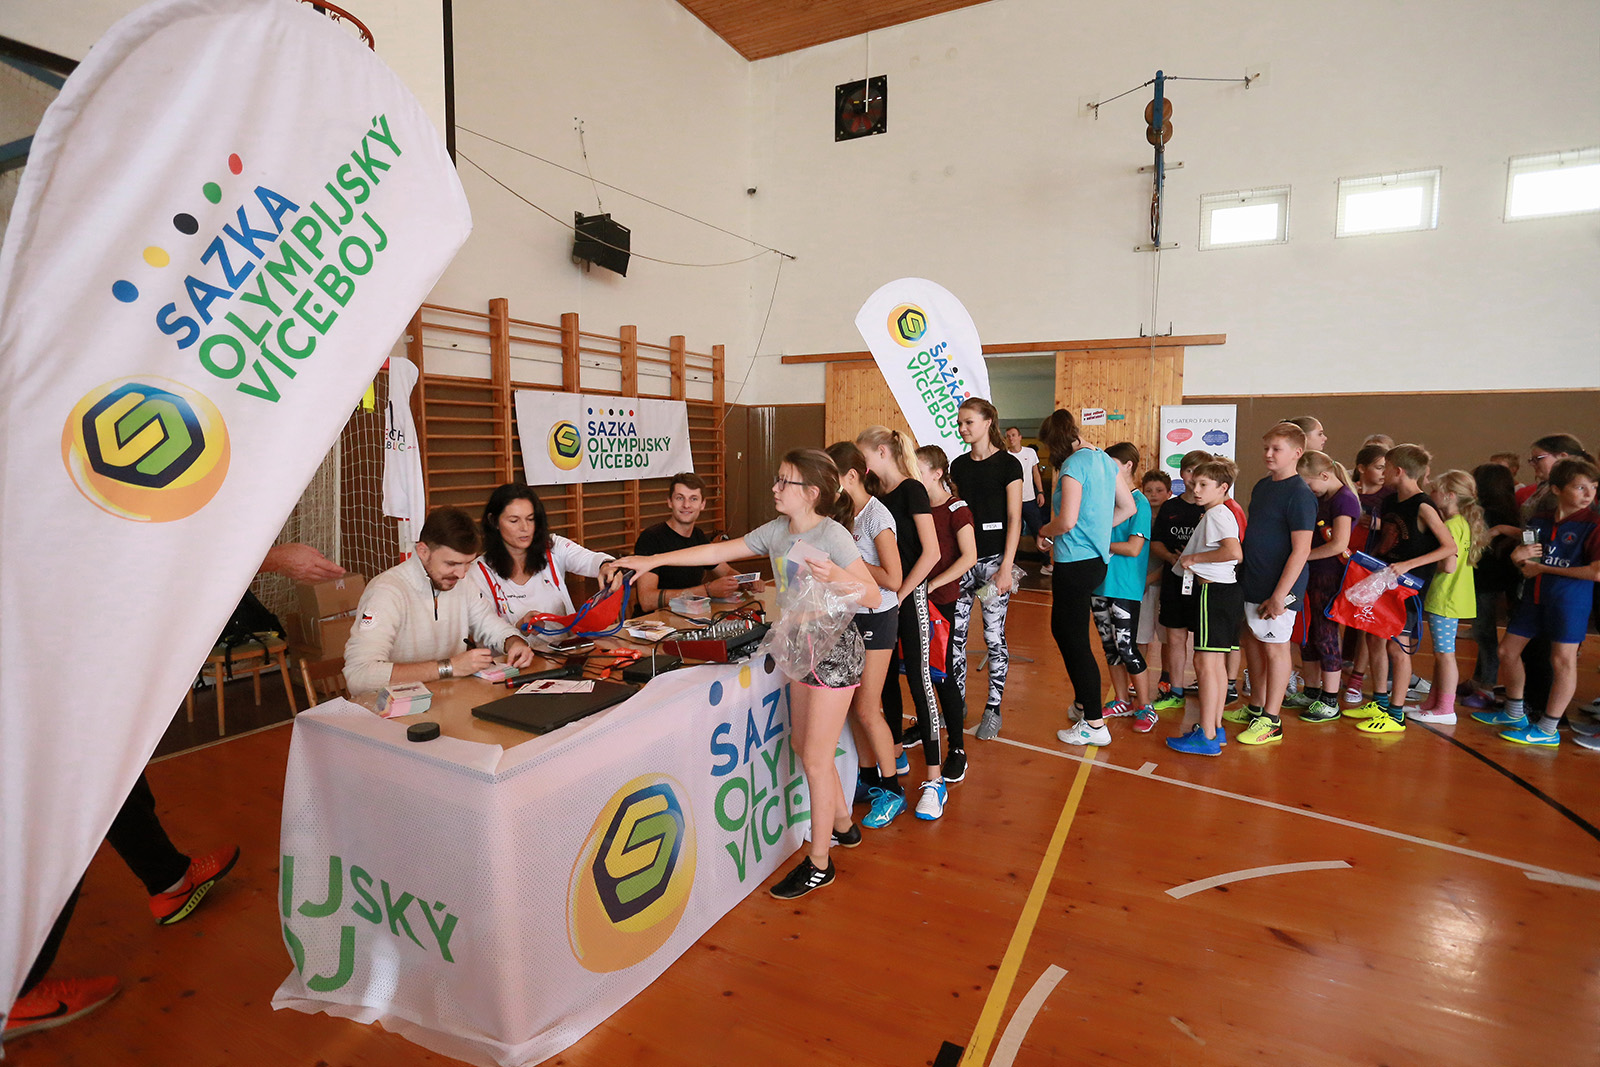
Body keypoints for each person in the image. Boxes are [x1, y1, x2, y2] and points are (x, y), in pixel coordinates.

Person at [7, 544, 341, 1040]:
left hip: (52, 656)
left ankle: (170, 879)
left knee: (112, 774)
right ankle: (16, 991)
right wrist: (274, 558)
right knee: (65, 811)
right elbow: (148, 550)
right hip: (35, 667)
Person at [606, 450, 883, 898]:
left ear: (811, 493)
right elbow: (717, 550)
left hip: (834, 653)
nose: (775, 487)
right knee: (804, 747)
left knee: (815, 758)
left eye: (784, 481)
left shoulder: (832, 535)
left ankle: (819, 862)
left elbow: (872, 596)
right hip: (801, 648)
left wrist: (833, 573)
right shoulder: (777, 531)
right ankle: (843, 825)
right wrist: (650, 561)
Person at [1474, 458, 1600, 748]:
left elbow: (1596, 572)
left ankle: (1548, 727)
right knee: (1507, 651)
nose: (1588, 494)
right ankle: (1514, 712)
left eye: (1593, 487)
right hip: (1534, 597)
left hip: (1569, 601)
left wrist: (1543, 568)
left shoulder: (1594, 524)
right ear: (1556, 489)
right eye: (1580, 487)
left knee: (1562, 661)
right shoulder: (1540, 520)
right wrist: (1519, 558)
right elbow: (1527, 558)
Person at [344, 507, 536, 694]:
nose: (461, 574)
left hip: (448, 698)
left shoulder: (463, 582)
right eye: (451, 563)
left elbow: (490, 624)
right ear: (423, 551)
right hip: (391, 708)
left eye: (468, 564)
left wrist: (514, 642)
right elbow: (359, 675)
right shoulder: (387, 591)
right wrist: (449, 667)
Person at [857, 426, 947, 820]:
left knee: (919, 683)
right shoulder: (875, 496)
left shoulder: (912, 490)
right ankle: (894, 755)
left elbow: (931, 553)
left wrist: (903, 593)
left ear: (881, 452)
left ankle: (935, 780)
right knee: (886, 683)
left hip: (909, 598)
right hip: (884, 603)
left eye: (863, 456)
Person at [1038, 411, 1136, 749]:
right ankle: (1083, 702)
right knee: (1066, 631)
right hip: (1095, 561)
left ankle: (1094, 722)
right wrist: (1097, 531)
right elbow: (1127, 507)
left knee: (1074, 639)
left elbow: (1066, 521)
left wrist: (1043, 531)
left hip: (1075, 562)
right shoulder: (1105, 460)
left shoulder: (1073, 465)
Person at [1344, 445, 1458, 734]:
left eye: (1386, 467)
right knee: (1374, 639)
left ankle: (1395, 714)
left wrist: (1409, 565)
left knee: (1398, 646)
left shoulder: (1423, 506)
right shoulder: (1390, 501)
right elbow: (1388, 539)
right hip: (1385, 579)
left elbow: (1449, 547)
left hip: (1409, 587)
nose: (1382, 472)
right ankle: (1380, 702)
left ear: (1399, 471)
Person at [824, 442, 907, 829]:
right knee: (855, 706)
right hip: (849, 617)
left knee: (867, 709)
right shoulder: (841, 514)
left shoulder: (877, 516)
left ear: (852, 477)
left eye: (831, 479)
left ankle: (893, 790)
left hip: (878, 617)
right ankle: (869, 778)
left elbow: (893, 578)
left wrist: (849, 562)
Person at [1226, 423, 1316, 747]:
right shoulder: (1263, 487)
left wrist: (1280, 595)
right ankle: (1256, 707)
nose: (1268, 454)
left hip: (1279, 588)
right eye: (1266, 447)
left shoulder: (1300, 495)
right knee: (1253, 644)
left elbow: (1301, 550)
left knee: (1276, 650)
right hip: (1254, 579)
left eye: (1276, 449)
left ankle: (1272, 720)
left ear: (1297, 453)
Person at [949, 398, 1024, 740]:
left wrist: (1006, 566)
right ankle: (957, 704)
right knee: (956, 636)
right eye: (960, 423)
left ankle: (993, 708)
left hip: (994, 564)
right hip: (963, 563)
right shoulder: (959, 466)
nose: (963, 428)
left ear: (987, 422)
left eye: (968, 422)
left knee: (993, 636)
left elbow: (1014, 517)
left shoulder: (1009, 464)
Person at [1165, 458, 1244, 756]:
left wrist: (1193, 559)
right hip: (1223, 593)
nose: (1195, 489)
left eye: (1203, 485)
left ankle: (1207, 736)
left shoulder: (1216, 514)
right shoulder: (1217, 513)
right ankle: (1215, 728)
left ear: (1222, 487)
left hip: (1214, 593)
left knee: (1206, 665)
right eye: (1194, 483)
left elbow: (1233, 552)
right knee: (1215, 665)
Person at [915, 445, 978, 783]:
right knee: (917, 671)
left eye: (919, 470)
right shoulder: (918, 507)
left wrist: (933, 584)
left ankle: (957, 748)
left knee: (942, 673)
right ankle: (925, 727)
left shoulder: (957, 509)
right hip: (914, 598)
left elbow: (969, 556)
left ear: (937, 473)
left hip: (941, 601)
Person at [470, 483, 617, 627]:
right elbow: (486, 631)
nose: (525, 528)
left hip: (569, 643)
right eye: (514, 521)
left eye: (530, 519)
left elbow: (591, 559)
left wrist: (606, 565)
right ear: (494, 521)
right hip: (517, 644)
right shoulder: (479, 572)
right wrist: (519, 628)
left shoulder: (553, 546)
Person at [1284, 451, 1359, 724]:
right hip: (1312, 575)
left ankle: (1330, 699)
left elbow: (1339, 544)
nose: (1308, 490)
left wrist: (1302, 556)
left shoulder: (1344, 500)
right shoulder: (1323, 497)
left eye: (1309, 484)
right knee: (1309, 633)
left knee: (1326, 635)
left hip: (1330, 577)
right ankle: (1312, 689)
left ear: (1325, 476)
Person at [1091, 443, 1157, 732]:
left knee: (1127, 647)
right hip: (1100, 584)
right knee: (1110, 647)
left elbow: (1133, 548)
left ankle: (1145, 705)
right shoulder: (1107, 500)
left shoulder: (1139, 503)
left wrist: (1098, 544)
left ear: (1128, 465)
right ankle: (1121, 700)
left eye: (1112, 464)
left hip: (1125, 587)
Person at [1411, 470, 1486, 724]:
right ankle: (1434, 702)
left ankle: (1445, 708)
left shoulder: (1451, 526)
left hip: (1446, 595)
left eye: (1435, 490)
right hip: (1453, 595)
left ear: (1450, 495)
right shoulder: (1461, 522)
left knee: (1445, 654)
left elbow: (1448, 566)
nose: (1431, 494)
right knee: (1441, 653)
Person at [630, 473, 751, 613]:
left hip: (689, 618)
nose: (686, 505)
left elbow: (726, 571)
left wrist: (745, 581)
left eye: (693, 499)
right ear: (669, 502)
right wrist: (707, 590)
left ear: (702, 504)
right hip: (654, 622)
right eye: (680, 498)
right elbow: (647, 601)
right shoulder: (651, 538)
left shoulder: (698, 536)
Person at [1149, 450, 1210, 725]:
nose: (1194, 478)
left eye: (1200, 472)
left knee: (1204, 643)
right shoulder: (1170, 508)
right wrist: (1173, 558)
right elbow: (1156, 542)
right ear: (1182, 474)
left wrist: (1198, 559)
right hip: (1174, 581)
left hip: (1204, 584)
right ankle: (1175, 691)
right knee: (1174, 637)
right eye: (1189, 471)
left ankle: (1209, 690)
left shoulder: (1212, 508)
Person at [1463, 462, 1522, 708]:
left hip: (1487, 580)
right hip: (1501, 578)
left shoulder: (1488, 514)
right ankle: (1478, 680)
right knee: (1483, 631)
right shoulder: (1510, 511)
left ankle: (1487, 685)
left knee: (1484, 633)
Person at [1341, 443, 1391, 703]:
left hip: (1370, 564)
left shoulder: (1389, 495)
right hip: (1342, 559)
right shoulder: (1347, 491)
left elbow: (1396, 528)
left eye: (1386, 468)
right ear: (1361, 468)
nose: (1383, 473)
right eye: (1379, 467)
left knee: (1363, 623)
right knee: (1333, 616)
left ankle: (1357, 679)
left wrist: (1376, 523)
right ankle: (1328, 670)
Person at [1137, 470, 1173, 694]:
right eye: (1148, 490)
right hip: (1141, 586)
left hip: (1164, 586)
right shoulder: (1138, 517)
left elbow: (1172, 558)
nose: (1153, 495)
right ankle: (1137, 677)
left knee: (1168, 638)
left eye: (1159, 490)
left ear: (1169, 493)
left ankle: (1166, 678)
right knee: (1140, 636)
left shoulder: (1171, 521)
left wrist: (1151, 578)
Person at [1004, 426, 1048, 563]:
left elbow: (1036, 473)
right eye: (1008, 436)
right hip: (1011, 501)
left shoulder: (1030, 453)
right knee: (1012, 531)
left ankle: (1046, 562)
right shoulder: (1005, 456)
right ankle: (1011, 562)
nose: (1011, 438)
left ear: (1020, 437)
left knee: (1038, 529)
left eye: (1013, 435)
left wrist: (1040, 491)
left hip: (1029, 499)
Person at [1517, 434, 1585, 508]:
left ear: (1563, 457)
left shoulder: (1572, 492)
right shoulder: (1544, 488)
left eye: (1538, 458)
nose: (1533, 464)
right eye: (1532, 460)